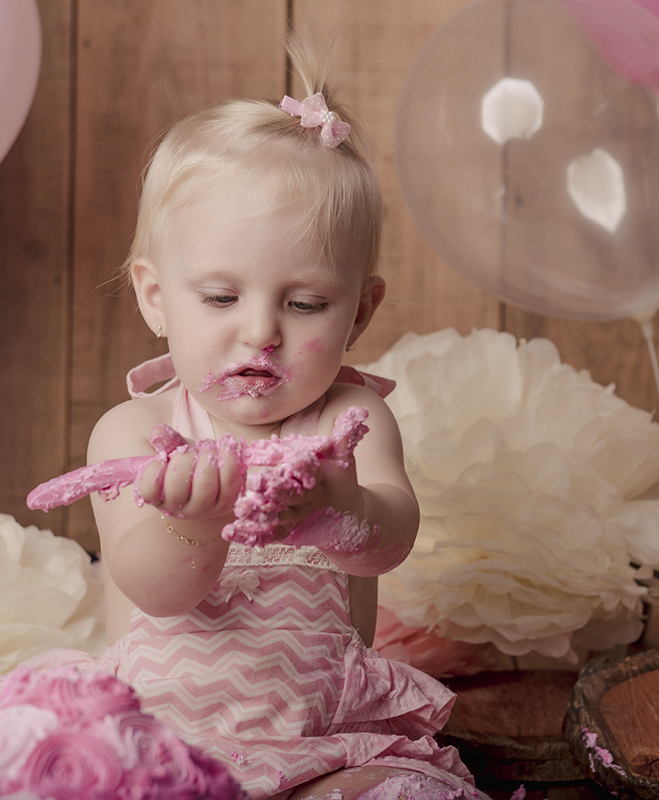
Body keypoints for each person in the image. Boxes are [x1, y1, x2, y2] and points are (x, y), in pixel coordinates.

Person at [82, 34, 487, 800]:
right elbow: (156, 593)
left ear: (360, 313)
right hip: (168, 746)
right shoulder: (135, 432)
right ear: (155, 297)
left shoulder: (350, 420)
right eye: (222, 297)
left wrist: (341, 509)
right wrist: (194, 527)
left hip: (325, 738)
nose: (261, 331)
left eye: (304, 305)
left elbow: (389, 541)